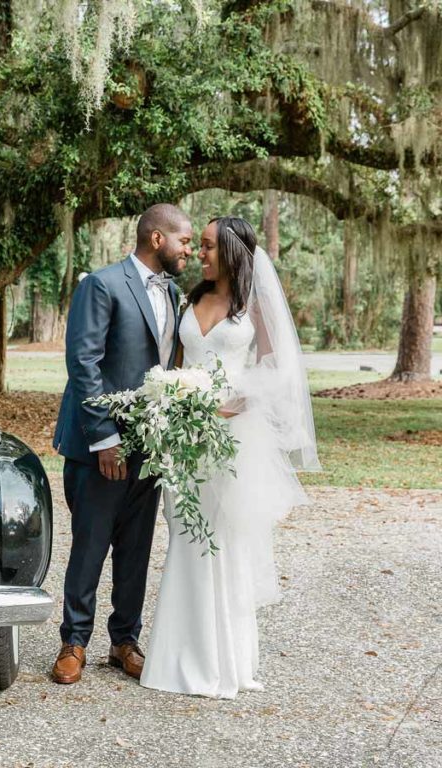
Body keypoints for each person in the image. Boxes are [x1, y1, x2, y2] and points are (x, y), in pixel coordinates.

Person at [140, 216, 320, 699]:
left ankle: (226, 662)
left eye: (208, 247)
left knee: (221, 542)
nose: (199, 254)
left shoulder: (252, 307)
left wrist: (237, 403)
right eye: (197, 245)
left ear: (234, 251)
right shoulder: (192, 299)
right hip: (185, 438)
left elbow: (280, 371)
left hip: (231, 441)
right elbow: (175, 364)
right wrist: (172, 401)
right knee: (185, 537)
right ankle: (176, 658)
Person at [51, 203, 193, 684]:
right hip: (101, 446)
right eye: (185, 241)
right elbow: (84, 363)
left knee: (136, 549)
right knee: (90, 546)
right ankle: (74, 642)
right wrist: (104, 437)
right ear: (158, 239)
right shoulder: (102, 284)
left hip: (148, 445)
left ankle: (124, 642)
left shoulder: (174, 294)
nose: (189, 251)